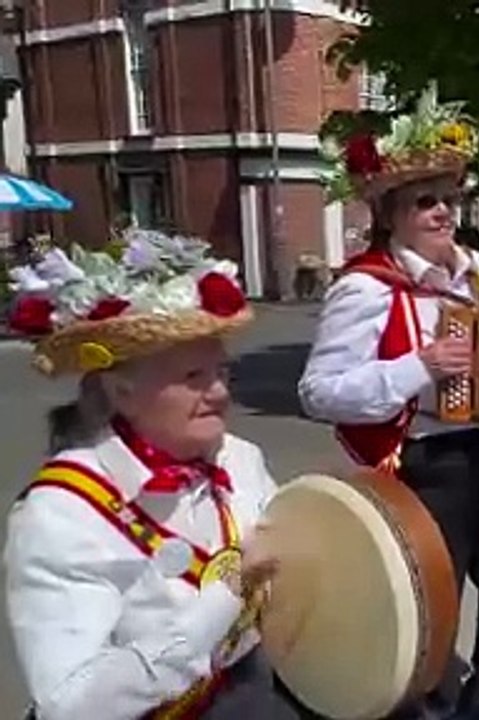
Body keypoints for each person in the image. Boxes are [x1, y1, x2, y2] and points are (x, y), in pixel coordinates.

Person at [297, 97, 479, 720]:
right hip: (427, 460)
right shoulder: (365, 288)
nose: (441, 213)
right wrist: (419, 367)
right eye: (424, 202)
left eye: (448, 200)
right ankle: (425, 709)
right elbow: (318, 391)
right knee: (435, 603)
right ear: (390, 215)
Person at [3, 229, 296, 719]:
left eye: (222, 373)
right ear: (121, 392)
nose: (220, 393)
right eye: (192, 378)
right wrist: (223, 600)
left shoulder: (238, 458)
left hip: (249, 691)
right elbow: (70, 706)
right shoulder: (61, 512)